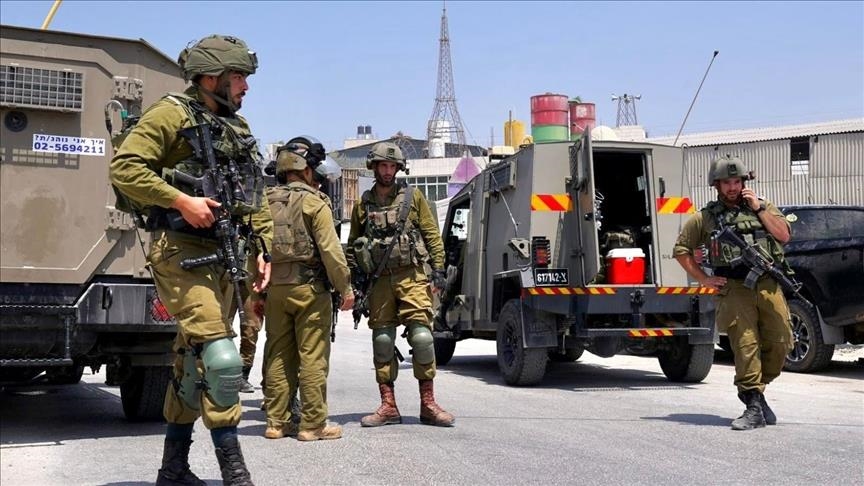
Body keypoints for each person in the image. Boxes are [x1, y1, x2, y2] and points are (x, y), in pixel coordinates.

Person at [110, 35, 272, 485]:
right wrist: (181, 200)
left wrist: (265, 249)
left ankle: (173, 469)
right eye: (238, 77)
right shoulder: (171, 113)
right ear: (211, 78)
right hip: (180, 251)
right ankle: (235, 472)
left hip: (225, 255)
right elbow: (125, 167)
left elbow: (253, 194)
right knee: (222, 359)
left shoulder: (236, 126)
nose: (245, 87)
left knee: (190, 363)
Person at [673, 154, 793, 431]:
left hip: (768, 283)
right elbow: (681, 250)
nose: (732, 187)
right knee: (745, 344)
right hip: (734, 287)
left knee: (782, 341)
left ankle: (757, 393)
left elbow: (784, 235)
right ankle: (753, 405)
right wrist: (704, 279)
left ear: (743, 182)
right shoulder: (705, 217)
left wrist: (759, 209)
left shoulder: (763, 206)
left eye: (736, 181)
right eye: (726, 182)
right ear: (717, 185)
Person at [346, 142, 454, 428]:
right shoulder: (363, 204)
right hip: (379, 280)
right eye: (383, 165)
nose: (387, 171)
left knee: (422, 337)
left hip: (412, 275)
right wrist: (355, 281)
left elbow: (431, 235)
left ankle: (428, 404)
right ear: (374, 167)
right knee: (382, 341)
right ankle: (388, 406)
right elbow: (353, 245)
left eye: (392, 166)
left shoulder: (413, 197)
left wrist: (439, 270)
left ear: (398, 168)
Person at [262, 137, 354, 441]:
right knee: (312, 357)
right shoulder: (315, 202)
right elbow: (331, 251)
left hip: (275, 290)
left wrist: (255, 292)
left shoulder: (265, 202)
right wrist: (345, 288)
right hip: (309, 290)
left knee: (278, 355)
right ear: (306, 169)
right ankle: (312, 425)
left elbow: (254, 251)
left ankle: (276, 423)